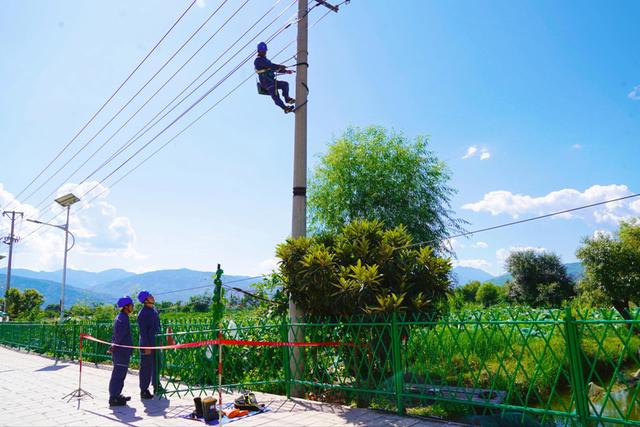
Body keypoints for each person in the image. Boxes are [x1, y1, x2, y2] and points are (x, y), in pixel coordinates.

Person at [254, 41, 295, 113]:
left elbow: (273, 69)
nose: (264, 53)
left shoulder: (266, 60)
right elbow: (271, 66)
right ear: (258, 51)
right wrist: (280, 66)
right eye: (262, 51)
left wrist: (286, 71)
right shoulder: (258, 60)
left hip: (271, 81)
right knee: (275, 95)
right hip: (266, 83)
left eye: (264, 51)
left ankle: (287, 99)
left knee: (285, 84)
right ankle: (285, 108)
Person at [108, 296, 134, 407]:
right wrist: (113, 347)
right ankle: (113, 398)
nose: (133, 307)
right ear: (125, 307)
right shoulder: (122, 319)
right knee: (118, 375)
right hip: (121, 352)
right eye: (131, 305)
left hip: (123, 351)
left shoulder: (123, 317)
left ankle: (117, 395)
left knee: (120, 374)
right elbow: (119, 336)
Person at [137, 290, 161, 399]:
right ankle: (144, 390)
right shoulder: (143, 313)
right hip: (147, 344)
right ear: (146, 300)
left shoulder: (154, 310)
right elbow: (143, 331)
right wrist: (146, 346)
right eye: (150, 295)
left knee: (157, 365)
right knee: (146, 368)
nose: (153, 296)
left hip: (155, 343)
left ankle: (157, 385)